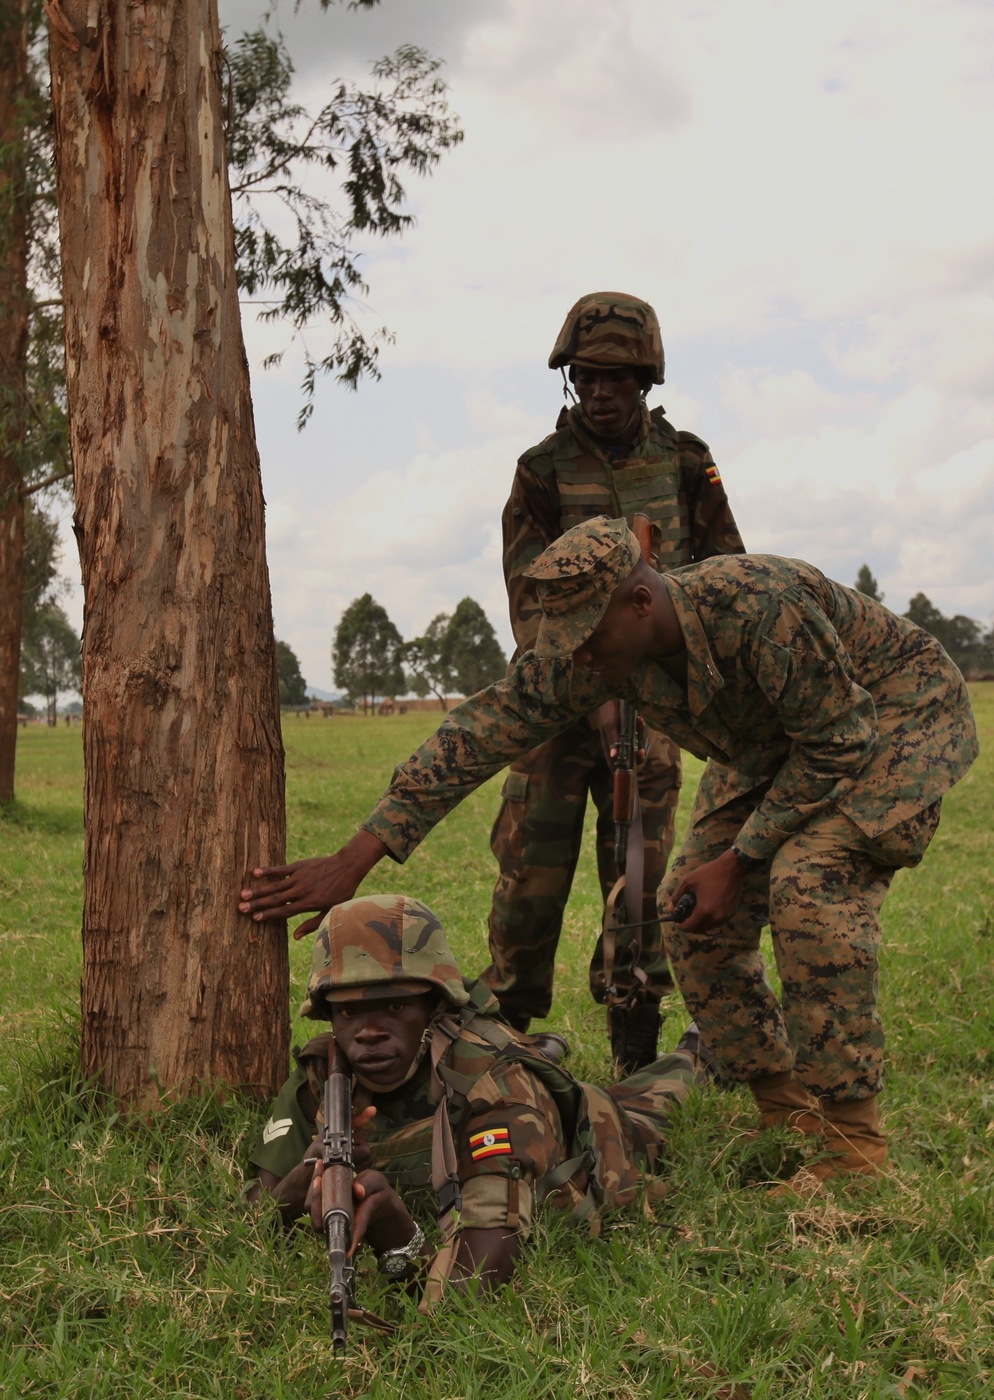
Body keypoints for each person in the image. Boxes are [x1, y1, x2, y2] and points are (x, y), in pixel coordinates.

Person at [240, 518, 978, 1187]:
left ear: (640, 600)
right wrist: (354, 858)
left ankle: (853, 1149)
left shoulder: (757, 603)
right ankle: (786, 1110)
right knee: (686, 908)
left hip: (893, 724)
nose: (582, 659)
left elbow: (839, 740)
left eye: (592, 637)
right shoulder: (589, 650)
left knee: (809, 886)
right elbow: (481, 730)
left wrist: (744, 858)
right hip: (769, 750)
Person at [488, 291, 745, 1071]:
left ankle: (636, 1041)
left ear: (647, 381)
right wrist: (590, 689)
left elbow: (723, 578)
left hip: (653, 708)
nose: (601, 393)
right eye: (587, 378)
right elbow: (531, 602)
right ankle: (507, 1042)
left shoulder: (687, 464)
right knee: (530, 874)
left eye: (619, 379)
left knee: (640, 876)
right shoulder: (539, 471)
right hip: (555, 712)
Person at [248, 893, 701, 1298]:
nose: (367, 1033)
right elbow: (256, 1216)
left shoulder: (494, 1084)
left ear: (436, 1005)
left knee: (658, 1092)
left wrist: (396, 1233)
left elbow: (476, 1282)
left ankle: (696, 1048)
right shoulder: (324, 1073)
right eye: (347, 1011)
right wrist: (310, 1172)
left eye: (395, 1007)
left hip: (600, 1130)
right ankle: (547, 1046)